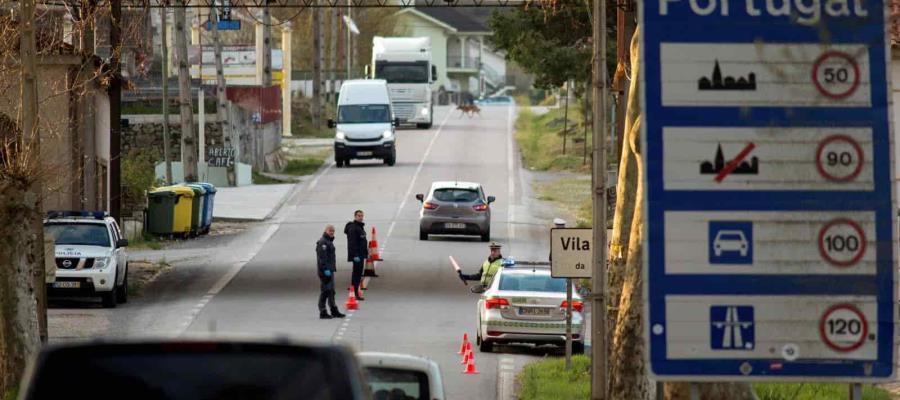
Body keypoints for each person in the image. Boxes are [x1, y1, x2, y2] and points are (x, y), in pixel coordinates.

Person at [317, 225, 345, 319]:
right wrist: (325, 269)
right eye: (330, 231)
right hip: (324, 271)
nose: (332, 232)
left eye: (333, 231)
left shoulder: (329, 241)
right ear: (325, 231)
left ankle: (333, 309)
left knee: (331, 291)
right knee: (325, 291)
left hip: (330, 270)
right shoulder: (323, 242)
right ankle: (322, 311)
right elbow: (322, 258)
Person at [344, 210, 368, 300]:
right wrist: (355, 255)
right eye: (359, 216)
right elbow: (352, 243)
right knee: (356, 274)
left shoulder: (359, 227)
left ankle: (354, 291)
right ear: (355, 216)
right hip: (357, 255)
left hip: (361, 254)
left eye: (362, 216)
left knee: (357, 274)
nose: (361, 217)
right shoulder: (353, 228)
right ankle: (355, 293)